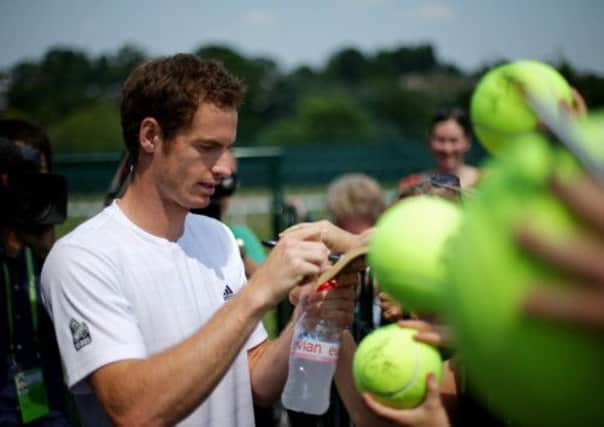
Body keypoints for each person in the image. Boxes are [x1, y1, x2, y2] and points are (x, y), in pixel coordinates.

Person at [40, 54, 362, 427]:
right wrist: (257, 293)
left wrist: (308, 315)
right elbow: (134, 411)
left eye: (228, 148)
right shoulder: (83, 258)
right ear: (150, 136)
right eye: (208, 147)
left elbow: (255, 382)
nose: (225, 168)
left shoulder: (217, 235)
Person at [0, 120, 72, 426]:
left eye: (40, 175)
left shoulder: (54, 256)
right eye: (20, 176)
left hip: (42, 403)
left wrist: (48, 252)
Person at [399, 108, 480, 198]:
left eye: (454, 141)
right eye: (440, 140)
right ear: (429, 140)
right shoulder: (411, 185)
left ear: (467, 141)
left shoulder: (489, 182)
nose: (447, 149)